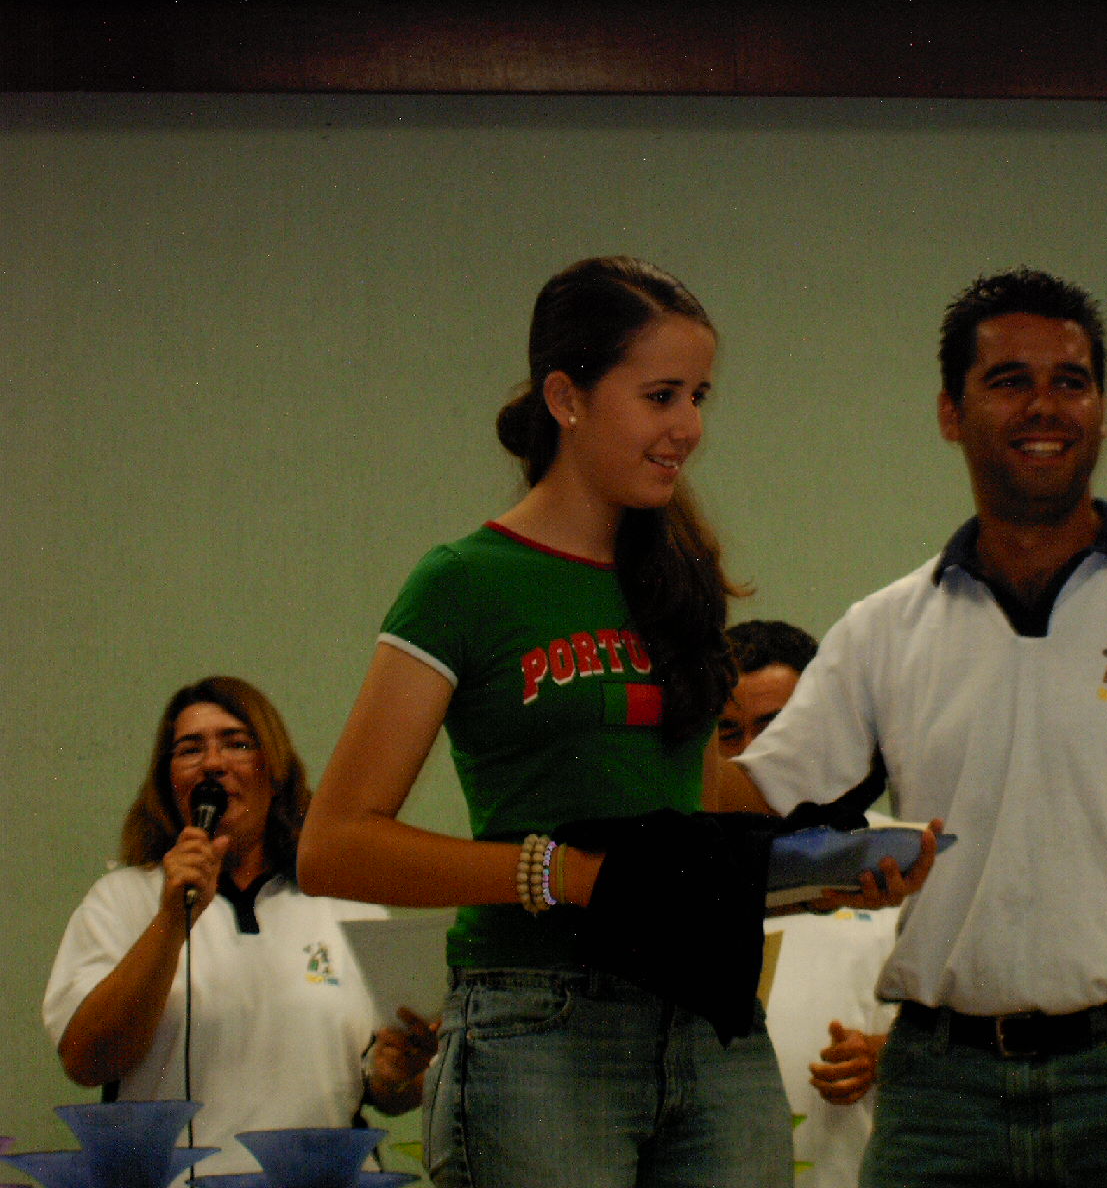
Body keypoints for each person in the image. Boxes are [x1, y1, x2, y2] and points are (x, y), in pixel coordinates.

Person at [298, 257, 928, 1188]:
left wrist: (817, 872)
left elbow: (697, 798)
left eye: (699, 397)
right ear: (568, 398)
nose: (689, 428)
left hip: (712, 1020)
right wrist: (563, 874)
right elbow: (334, 846)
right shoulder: (465, 583)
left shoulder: (681, 579)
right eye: (661, 396)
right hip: (537, 1024)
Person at [714, 269, 1107, 1188]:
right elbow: (745, 799)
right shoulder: (886, 629)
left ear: (1102, 410)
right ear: (951, 411)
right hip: (941, 1093)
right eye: (1010, 380)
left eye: (1071, 381)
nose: (1045, 406)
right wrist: (635, 687)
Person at [43, 676, 435, 1176]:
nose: (213, 763)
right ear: (169, 782)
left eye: (237, 744)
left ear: (274, 771)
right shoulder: (120, 900)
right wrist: (171, 919)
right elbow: (86, 1062)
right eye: (190, 749)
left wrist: (398, 1075)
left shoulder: (344, 906)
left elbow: (386, 1088)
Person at [724, 620, 898, 1188]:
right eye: (728, 732)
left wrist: (887, 1054)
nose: (752, 754)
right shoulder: (676, 877)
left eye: (775, 728)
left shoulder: (899, 860)